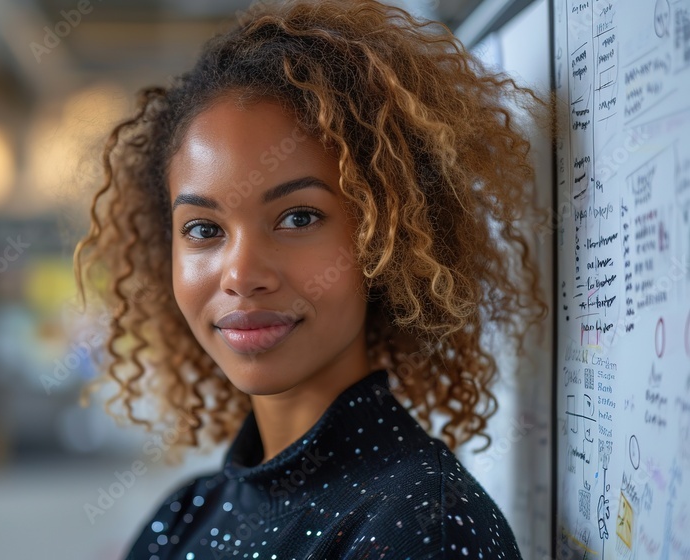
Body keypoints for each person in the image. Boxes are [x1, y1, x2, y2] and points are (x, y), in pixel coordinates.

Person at [71, 0, 548, 557]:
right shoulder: (184, 518)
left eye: (299, 218)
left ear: (385, 237)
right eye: (203, 229)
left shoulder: (423, 527)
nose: (242, 275)